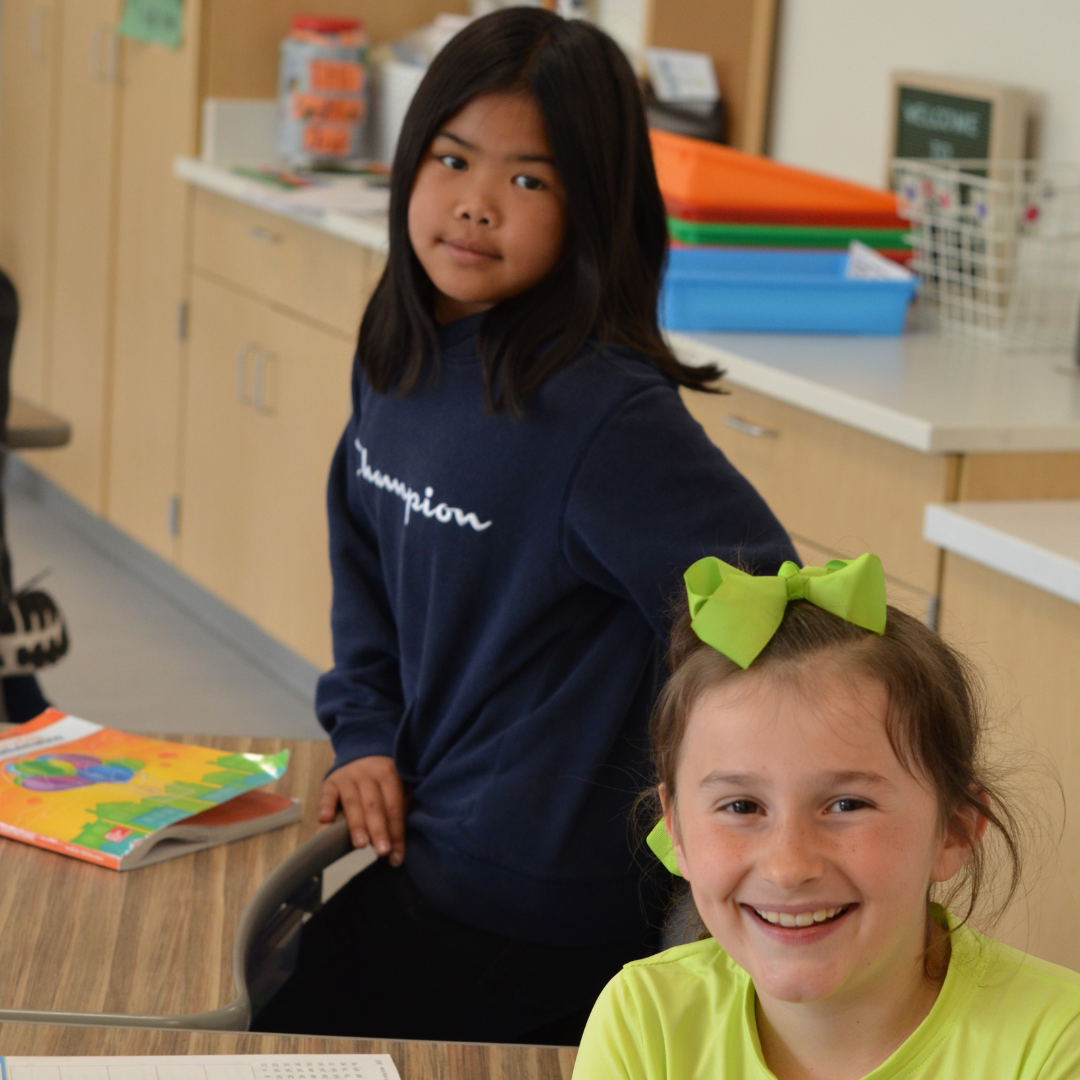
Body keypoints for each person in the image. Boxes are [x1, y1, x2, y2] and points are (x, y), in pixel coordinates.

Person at [252, 8, 795, 1045]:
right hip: (428, 852)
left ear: (592, 209)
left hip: (549, 913)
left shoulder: (603, 415)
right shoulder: (398, 354)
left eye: (530, 180)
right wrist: (364, 731)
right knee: (258, 1013)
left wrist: (712, 832)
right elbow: (361, 553)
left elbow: (770, 615)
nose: (476, 206)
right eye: (453, 159)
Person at [574, 554, 1080, 1079]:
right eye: (742, 807)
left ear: (952, 830)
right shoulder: (645, 1019)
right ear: (676, 830)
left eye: (847, 805)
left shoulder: (1056, 1046)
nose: (788, 867)